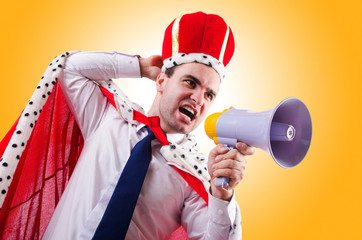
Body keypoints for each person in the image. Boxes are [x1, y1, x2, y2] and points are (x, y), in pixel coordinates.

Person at [0, 12, 254, 239]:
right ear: (162, 80)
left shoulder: (195, 174)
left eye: (210, 94)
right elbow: (69, 68)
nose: (199, 99)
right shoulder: (108, 115)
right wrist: (141, 67)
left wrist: (222, 195)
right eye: (190, 82)